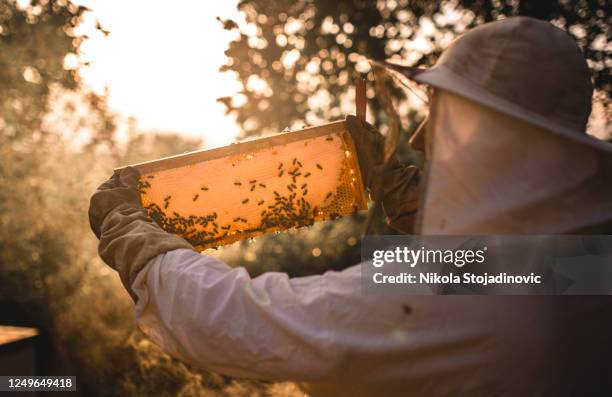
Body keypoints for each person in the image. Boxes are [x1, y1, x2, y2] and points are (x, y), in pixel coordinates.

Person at [89, 17, 612, 396]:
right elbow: (489, 267)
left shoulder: (457, 299)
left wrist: (134, 235)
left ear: (493, 135)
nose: (421, 137)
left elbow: (244, 320)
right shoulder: (583, 262)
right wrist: (404, 197)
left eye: (442, 114)